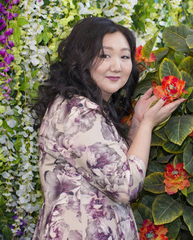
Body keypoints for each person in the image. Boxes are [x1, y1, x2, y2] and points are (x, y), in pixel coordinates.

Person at [32, 17, 184, 239]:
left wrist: (138, 123)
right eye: (104, 55)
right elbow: (126, 187)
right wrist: (148, 125)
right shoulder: (80, 113)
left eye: (124, 56)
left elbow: (114, 167)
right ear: (81, 58)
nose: (117, 66)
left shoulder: (81, 106)